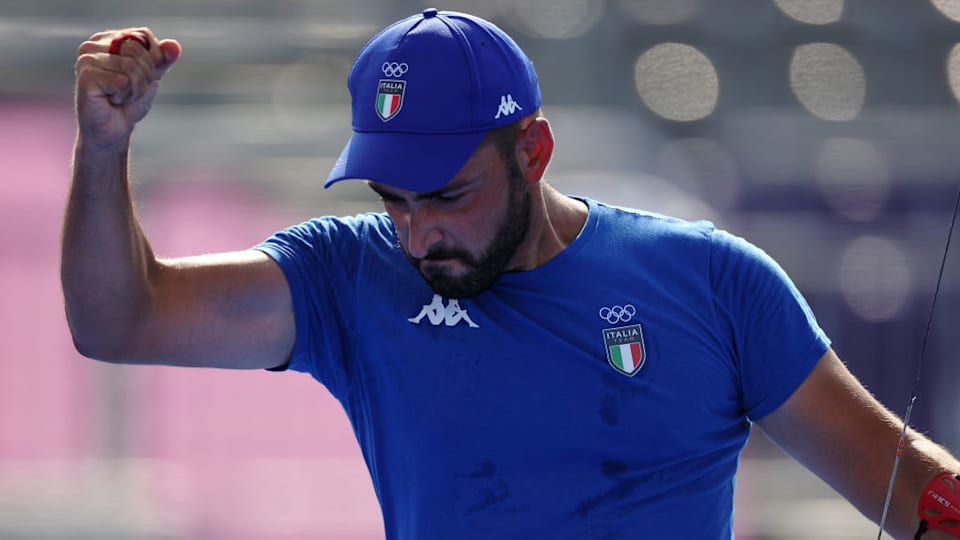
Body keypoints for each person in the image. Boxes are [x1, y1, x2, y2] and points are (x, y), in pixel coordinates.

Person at [64, 9, 960, 540]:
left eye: (448, 195)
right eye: (393, 201)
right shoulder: (346, 274)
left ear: (532, 150)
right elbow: (120, 320)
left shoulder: (716, 282)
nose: (418, 235)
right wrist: (103, 148)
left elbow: (901, 483)